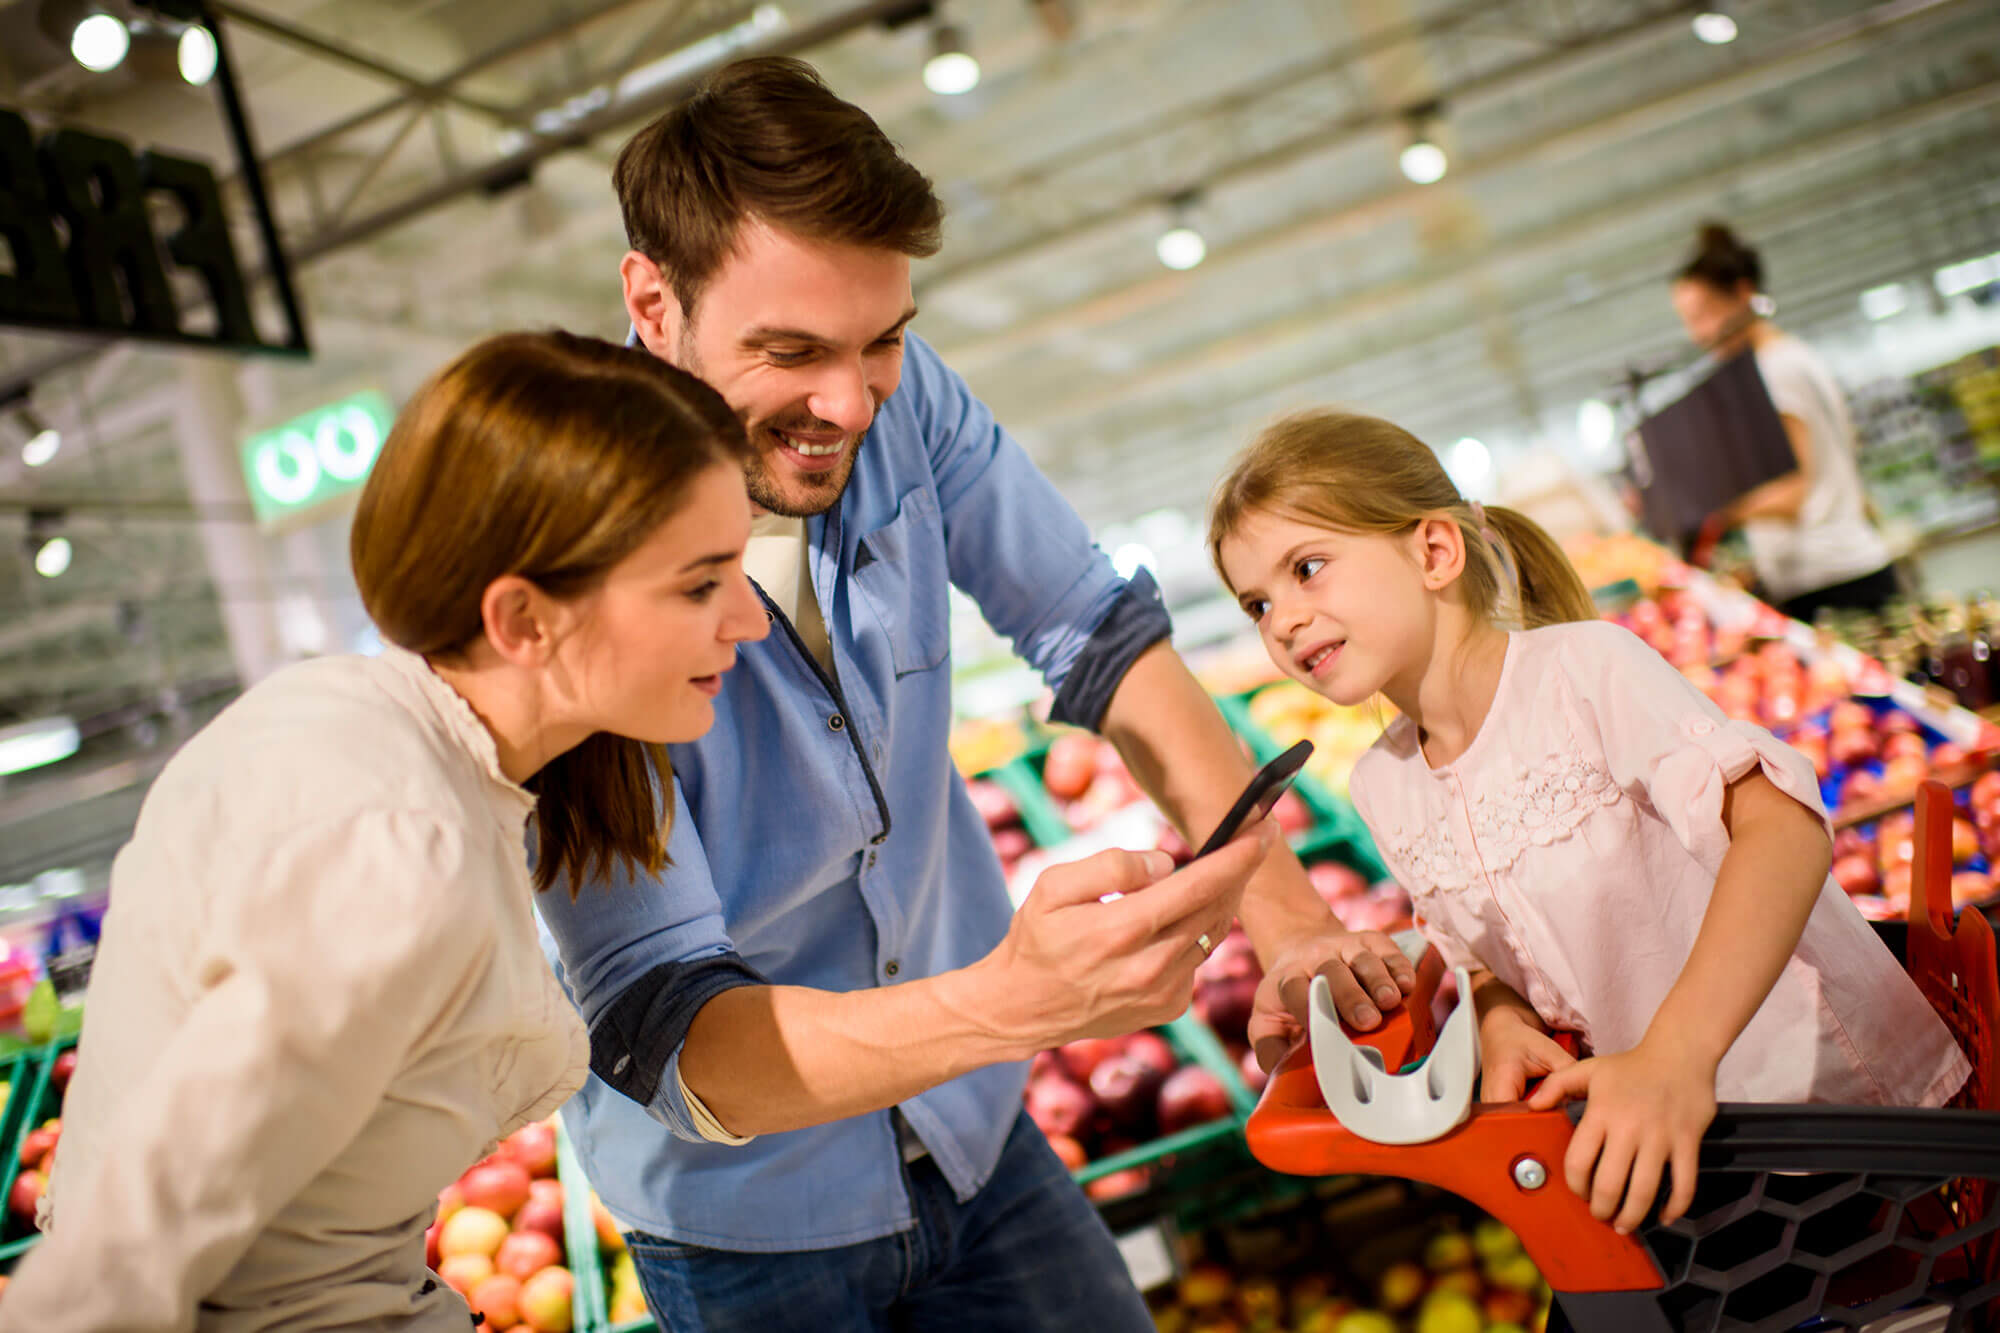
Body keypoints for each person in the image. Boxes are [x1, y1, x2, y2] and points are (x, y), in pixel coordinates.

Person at [535, 56, 1416, 1332]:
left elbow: (1096, 636)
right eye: (788, 351)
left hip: (976, 1135)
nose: (845, 401)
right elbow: (673, 1036)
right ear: (651, 301)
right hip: (752, 1225)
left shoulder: (898, 399)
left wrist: (1290, 927)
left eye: (879, 340)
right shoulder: (570, 566)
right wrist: (1022, 1000)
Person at [0, 332, 771, 1329]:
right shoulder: (399, 847)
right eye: (699, 582)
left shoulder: (381, 737)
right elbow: (117, 1262)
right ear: (525, 621)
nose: (747, 617)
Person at [1208, 409, 1969, 1237]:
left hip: (1822, 1119)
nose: (1280, 620)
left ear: (1433, 551)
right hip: (1669, 1147)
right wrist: (1501, 1019)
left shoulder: (1584, 671)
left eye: (1307, 568)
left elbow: (1783, 831)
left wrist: (1675, 1054)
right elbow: (1483, 955)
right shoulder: (1383, 783)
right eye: (1256, 602)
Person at [1671, 222, 1900, 621]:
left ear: (1743, 294)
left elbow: (1793, 495)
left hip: (1832, 582)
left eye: (1705, 315)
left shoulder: (1773, 372)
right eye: (1689, 321)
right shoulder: (1792, 356)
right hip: (1841, 569)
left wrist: (1709, 507)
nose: (1699, 335)